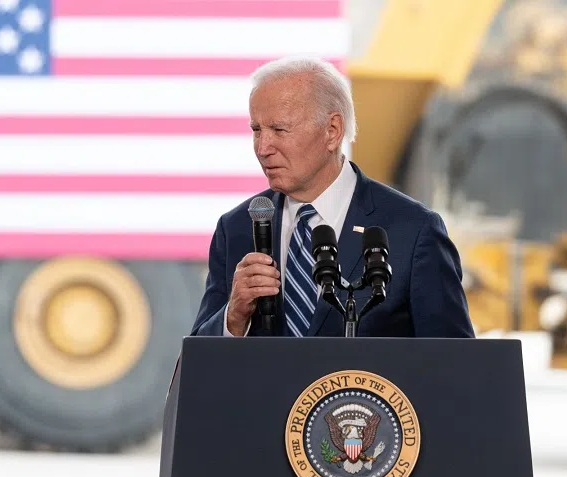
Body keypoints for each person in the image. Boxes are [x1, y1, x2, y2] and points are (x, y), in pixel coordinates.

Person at [190, 56, 475, 339]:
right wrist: (233, 318)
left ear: (332, 130)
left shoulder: (414, 231)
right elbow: (198, 368)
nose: (263, 147)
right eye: (256, 130)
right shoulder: (236, 229)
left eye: (279, 130)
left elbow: (453, 365)